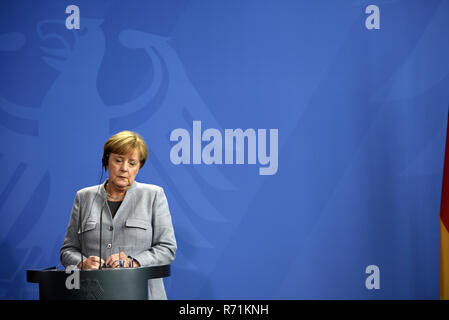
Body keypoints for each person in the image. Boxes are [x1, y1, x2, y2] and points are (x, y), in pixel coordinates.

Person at [60, 130, 177, 300]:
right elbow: (67, 250)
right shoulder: (84, 197)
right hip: (92, 295)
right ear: (106, 161)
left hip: (142, 294)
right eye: (118, 160)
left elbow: (167, 248)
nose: (124, 169)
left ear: (139, 167)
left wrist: (134, 261)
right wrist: (82, 263)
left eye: (132, 163)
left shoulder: (153, 195)